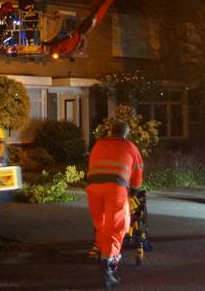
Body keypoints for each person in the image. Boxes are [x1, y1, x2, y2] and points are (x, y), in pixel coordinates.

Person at [86, 120, 143, 288]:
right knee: (116, 227)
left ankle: (102, 257)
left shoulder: (98, 144)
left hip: (93, 188)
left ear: (111, 132)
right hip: (115, 188)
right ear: (126, 133)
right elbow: (137, 178)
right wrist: (133, 189)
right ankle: (108, 271)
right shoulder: (131, 147)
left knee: (101, 225)